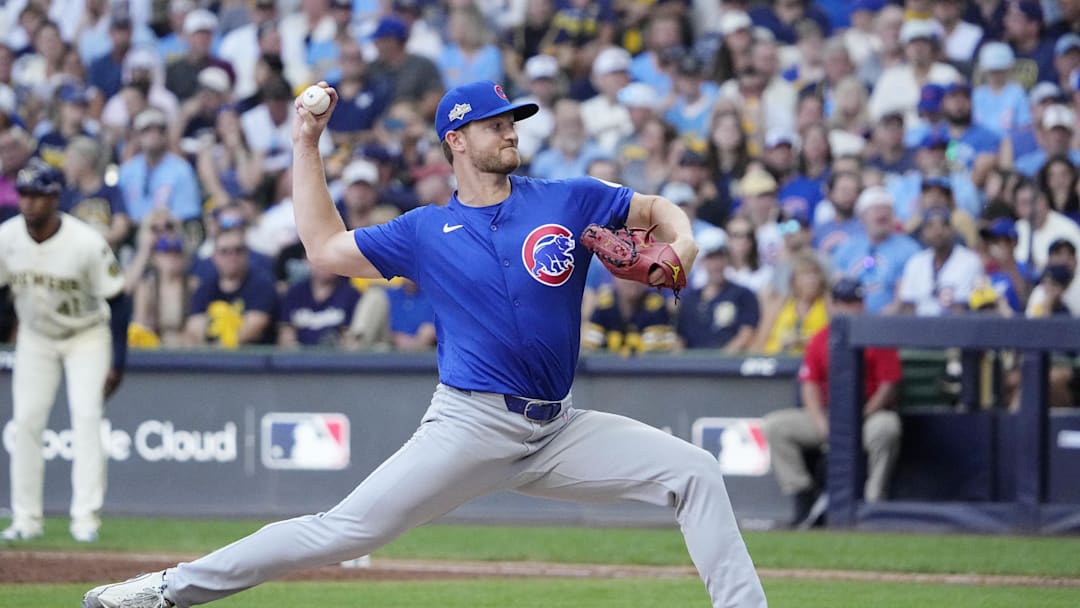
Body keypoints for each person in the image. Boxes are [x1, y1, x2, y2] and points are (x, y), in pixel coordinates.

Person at [82, 79, 766, 608]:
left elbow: (655, 210)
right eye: (495, 123)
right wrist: (305, 144)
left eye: (513, 120)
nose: (509, 131)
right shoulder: (421, 231)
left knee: (695, 472)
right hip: (469, 424)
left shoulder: (569, 197)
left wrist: (684, 243)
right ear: (456, 140)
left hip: (556, 428)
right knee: (343, 531)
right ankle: (168, 589)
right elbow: (323, 248)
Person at [0, 159, 130, 543]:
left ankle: (85, 519)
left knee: (87, 416)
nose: (29, 202)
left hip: (85, 335)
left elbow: (119, 302)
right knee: (25, 421)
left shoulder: (85, 242)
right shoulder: (7, 237)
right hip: (36, 337)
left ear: (55, 197)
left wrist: (118, 363)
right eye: (24, 193)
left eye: (38, 194)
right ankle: (26, 519)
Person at [762, 277, 902, 528]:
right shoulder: (820, 339)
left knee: (887, 428)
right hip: (828, 416)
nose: (850, 308)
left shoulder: (877, 336)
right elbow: (810, 385)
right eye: (844, 303)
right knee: (775, 426)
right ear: (833, 305)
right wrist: (821, 422)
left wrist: (857, 419)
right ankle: (804, 497)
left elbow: (888, 387)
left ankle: (873, 501)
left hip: (868, 415)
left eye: (855, 302)